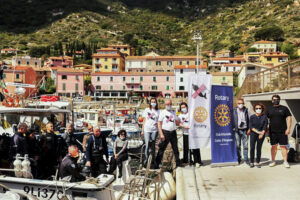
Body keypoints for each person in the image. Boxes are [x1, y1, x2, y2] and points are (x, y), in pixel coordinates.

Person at [266, 95, 292, 168]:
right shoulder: (269, 109)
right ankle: (273, 161)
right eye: (274, 99)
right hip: (272, 131)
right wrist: (267, 128)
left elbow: (289, 118)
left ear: (279, 100)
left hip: (283, 131)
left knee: (283, 146)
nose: (276, 100)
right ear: (272, 100)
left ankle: (285, 161)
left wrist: (288, 129)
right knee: (273, 146)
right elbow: (266, 120)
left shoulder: (284, 108)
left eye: (277, 99)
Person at [155, 99, 181, 168]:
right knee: (161, 149)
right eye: (167, 104)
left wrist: (185, 125)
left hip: (173, 132)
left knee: (175, 149)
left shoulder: (173, 112)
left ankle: (178, 163)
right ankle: (157, 164)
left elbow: (177, 121)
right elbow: (159, 124)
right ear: (165, 105)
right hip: (165, 133)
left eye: (170, 104)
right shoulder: (162, 113)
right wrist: (161, 134)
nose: (169, 106)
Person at [178, 102, 204, 167]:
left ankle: (197, 161)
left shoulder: (191, 114)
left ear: (187, 107)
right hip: (185, 133)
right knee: (186, 148)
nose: (183, 108)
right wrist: (184, 126)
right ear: (180, 108)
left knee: (195, 147)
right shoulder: (180, 116)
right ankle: (187, 160)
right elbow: (178, 123)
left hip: (193, 133)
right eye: (182, 107)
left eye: (184, 107)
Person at [141, 98, 160, 166]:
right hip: (147, 130)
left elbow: (160, 121)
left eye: (154, 102)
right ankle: (146, 160)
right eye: (152, 102)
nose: (153, 103)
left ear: (156, 102)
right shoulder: (147, 110)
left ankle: (152, 160)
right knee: (147, 145)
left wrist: (158, 125)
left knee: (153, 146)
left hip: (154, 130)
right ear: (150, 103)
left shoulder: (158, 111)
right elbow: (144, 120)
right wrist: (142, 130)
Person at [249, 103, 268, 168]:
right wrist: (258, 132)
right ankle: (251, 161)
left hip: (261, 135)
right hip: (253, 134)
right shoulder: (252, 117)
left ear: (262, 109)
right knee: (252, 148)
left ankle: (257, 162)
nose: (258, 109)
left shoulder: (264, 117)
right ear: (254, 109)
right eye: (257, 108)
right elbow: (251, 126)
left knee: (259, 148)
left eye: (260, 108)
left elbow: (265, 126)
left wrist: (262, 133)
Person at [233, 98, 250, 164]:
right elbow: (231, 119)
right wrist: (233, 127)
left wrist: (249, 129)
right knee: (238, 145)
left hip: (245, 130)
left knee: (245, 146)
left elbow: (250, 119)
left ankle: (246, 159)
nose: (240, 104)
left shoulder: (247, 110)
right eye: (239, 103)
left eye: (242, 103)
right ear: (237, 104)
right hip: (237, 130)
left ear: (244, 104)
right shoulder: (234, 110)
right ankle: (239, 159)